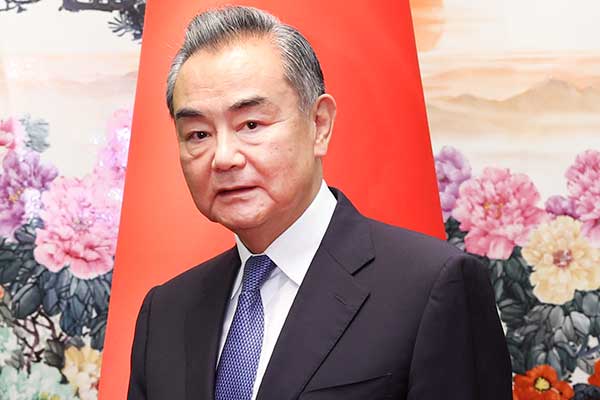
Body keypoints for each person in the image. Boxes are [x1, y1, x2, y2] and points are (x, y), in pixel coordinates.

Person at [127, 5, 512, 400]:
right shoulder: (166, 313)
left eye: (251, 125)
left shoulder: (432, 286)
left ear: (319, 124)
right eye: (198, 134)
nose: (223, 158)